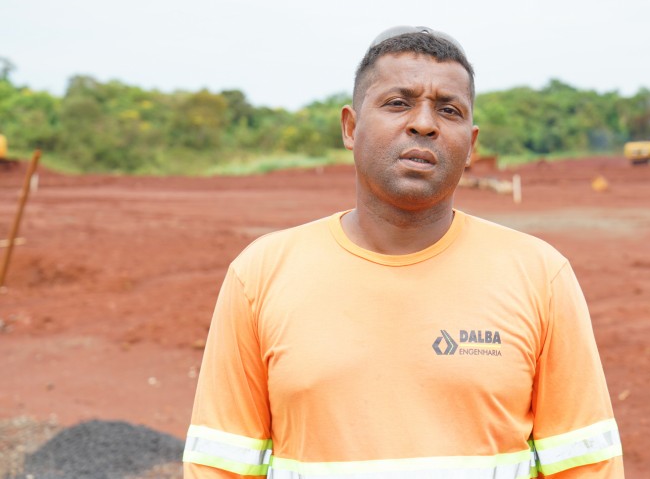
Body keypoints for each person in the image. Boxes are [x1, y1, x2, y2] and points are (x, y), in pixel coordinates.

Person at [183, 26, 624, 478]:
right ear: (351, 128)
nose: (424, 123)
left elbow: (587, 466)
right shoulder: (260, 274)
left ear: (471, 145)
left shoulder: (539, 275)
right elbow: (219, 466)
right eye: (398, 103)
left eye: (448, 110)